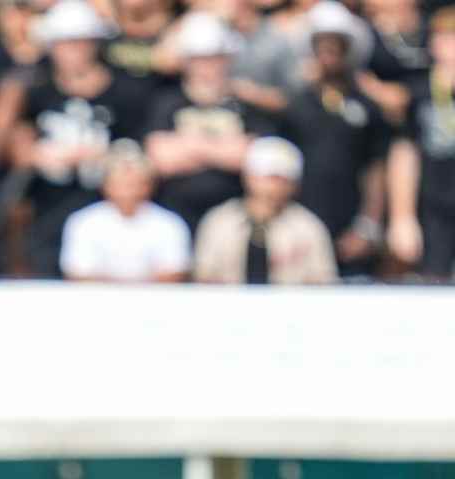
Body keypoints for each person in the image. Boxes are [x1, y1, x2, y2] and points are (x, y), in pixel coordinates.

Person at [14, 0, 154, 276]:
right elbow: (18, 144)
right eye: (64, 43)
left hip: (110, 211)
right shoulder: (38, 90)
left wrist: (98, 155)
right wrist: (39, 154)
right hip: (48, 208)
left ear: (95, 43)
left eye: (81, 42)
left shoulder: (127, 90)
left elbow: (140, 150)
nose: (73, 51)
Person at [281, 2, 393, 274]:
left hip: (353, 227)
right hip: (300, 228)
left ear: (349, 48)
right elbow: (284, 167)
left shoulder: (367, 105)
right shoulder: (296, 104)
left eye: (336, 44)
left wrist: (367, 225)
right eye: (322, 43)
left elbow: (376, 167)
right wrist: (288, 227)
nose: (328, 51)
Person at [144, 13, 261, 230]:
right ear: (187, 62)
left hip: (234, 216)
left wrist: (189, 145)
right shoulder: (167, 101)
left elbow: (250, 156)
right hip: (174, 213)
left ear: (227, 60)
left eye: (215, 58)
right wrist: (221, 149)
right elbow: (160, 160)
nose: (208, 67)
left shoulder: (244, 104)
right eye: (200, 59)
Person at [193, 135, 338, 283]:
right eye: (268, 177)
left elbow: (323, 283)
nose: (274, 186)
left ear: (295, 185)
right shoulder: (219, 222)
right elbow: (204, 279)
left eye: (283, 179)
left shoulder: (309, 227)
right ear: (248, 177)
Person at [384, 8, 455, 279]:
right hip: (433, 207)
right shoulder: (418, 90)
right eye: (447, 39)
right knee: (433, 281)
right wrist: (402, 217)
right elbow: (404, 153)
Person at [59, 141, 193, 281]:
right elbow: (80, 276)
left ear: (149, 186)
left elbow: (173, 276)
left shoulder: (169, 223)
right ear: (105, 185)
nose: (128, 190)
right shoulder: (83, 222)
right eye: (120, 182)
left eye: (135, 183)